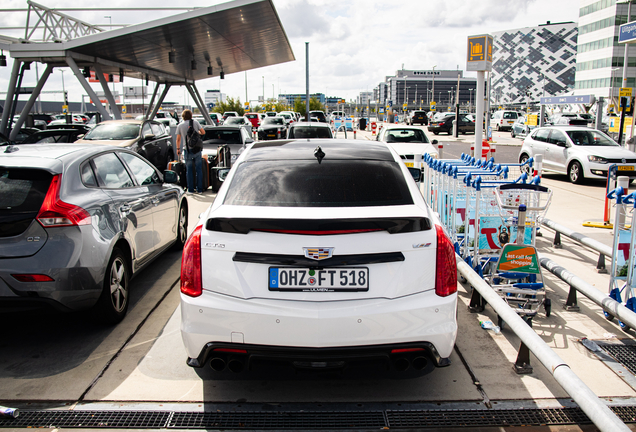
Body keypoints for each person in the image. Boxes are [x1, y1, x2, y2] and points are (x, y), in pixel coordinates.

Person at [176, 109, 205, 193]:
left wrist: (178, 149)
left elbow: (178, 139)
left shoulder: (180, 125)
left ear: (183, 116)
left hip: (187, 150)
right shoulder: (195, 123)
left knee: (189, 170)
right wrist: (196, 134)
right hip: (197, 149)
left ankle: (191, 189)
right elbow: (203, 132)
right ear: (191, 115)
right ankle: (200, 189)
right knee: (198, 169)